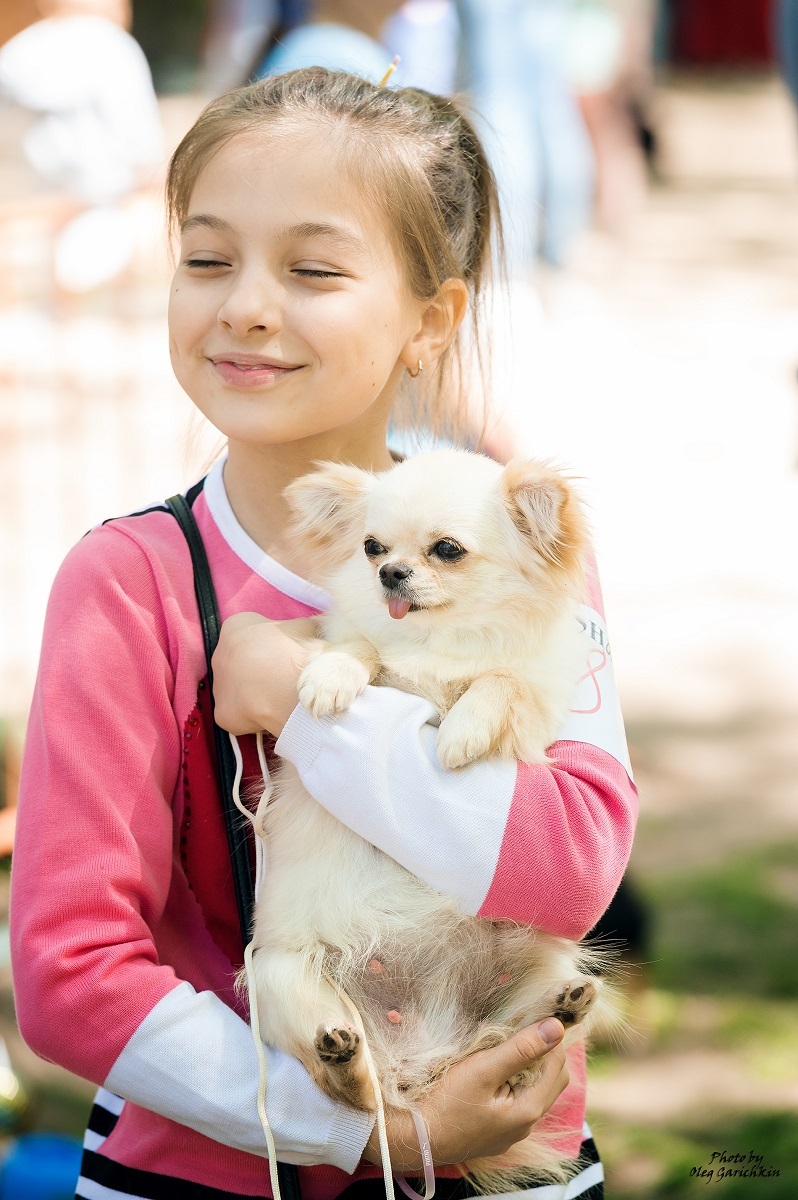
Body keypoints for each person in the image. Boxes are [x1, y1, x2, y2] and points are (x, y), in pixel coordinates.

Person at [10, 68, 637, 1200]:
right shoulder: (130, 586)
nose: (245, 304)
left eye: (311, 269)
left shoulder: (525, 547)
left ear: (430, 320)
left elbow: (571, 870)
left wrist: (307, 704)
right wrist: (361, 1129)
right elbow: (69, 966)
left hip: (510, 1153)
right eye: (206, 260)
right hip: (198, 1175)